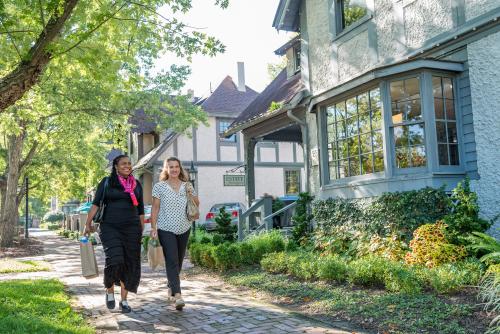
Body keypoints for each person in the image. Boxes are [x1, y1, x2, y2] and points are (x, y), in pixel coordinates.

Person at [84, 155, 144, 313]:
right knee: (115, 259)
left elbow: (141, 209)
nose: (127, 166)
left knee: (129, 263)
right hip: (110, 226)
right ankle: (109, 291)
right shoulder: (106, 182)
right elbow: (96, 203)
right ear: (116, 166)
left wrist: (141, 227)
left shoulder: (136, 184)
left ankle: (124, 301)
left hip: (132, 228)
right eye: (123, 163)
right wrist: (87, 223)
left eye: (129, 163)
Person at [150, 156, 199, 310]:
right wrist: (153, 227)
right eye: (170, 167)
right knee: (172, 260)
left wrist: (191, 194)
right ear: (166, 169)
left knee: (178, 260)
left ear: (180, 168)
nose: (174, 169)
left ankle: (171, 285)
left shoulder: (187, 186)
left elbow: (196, 204)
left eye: (176, 166)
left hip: (184, 227)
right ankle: (178, 295)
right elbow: (155, 208)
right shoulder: (159, 187)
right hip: (166, 228)